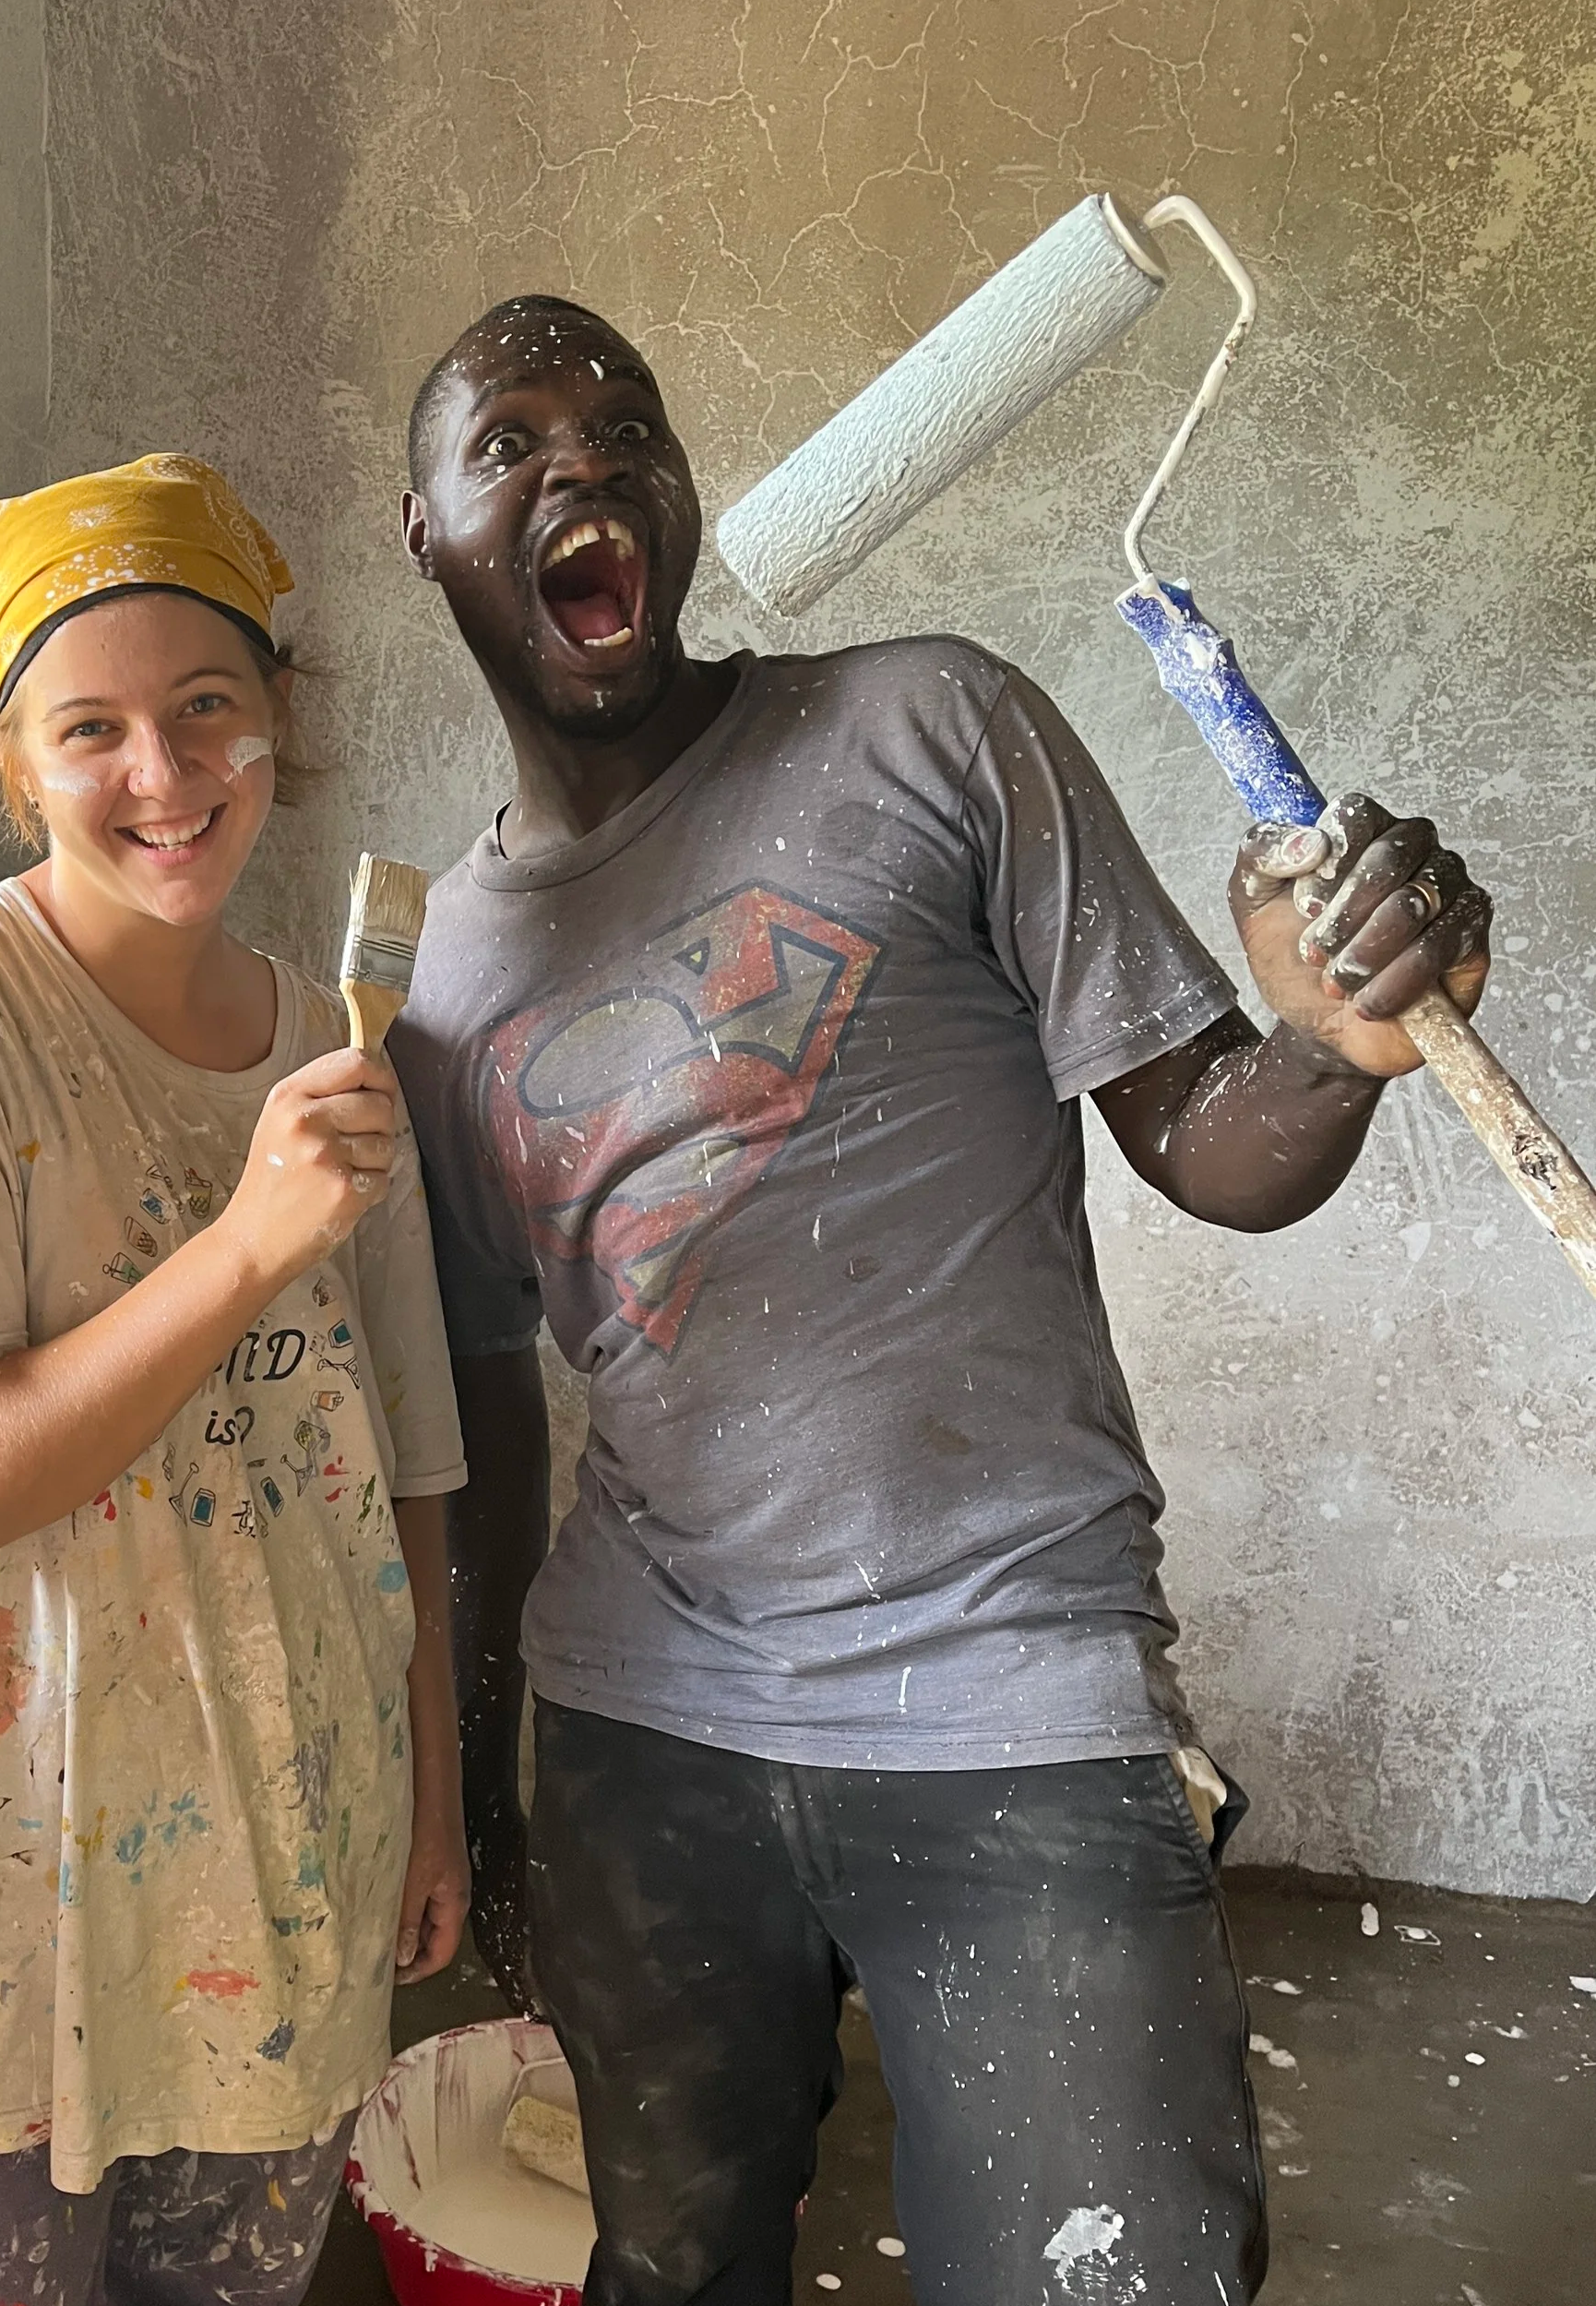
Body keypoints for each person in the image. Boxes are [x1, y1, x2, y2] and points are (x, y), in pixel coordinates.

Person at [388, 298, 1493, 2306]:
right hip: (644, 1734)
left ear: (680, 487)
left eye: (625, 417)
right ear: (428, 534)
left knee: (1114, 2275)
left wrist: (1330, 1042)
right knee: (672, 2260)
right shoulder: (446, 979)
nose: (584, 456)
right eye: (511, 438)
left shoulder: (931, 723)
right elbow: (465, 1431)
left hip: (1015, 1697)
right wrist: (480, 1801)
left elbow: (1209, 1146)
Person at [0, 453, 470, 2304]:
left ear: (276, 721)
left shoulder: (335, 1040)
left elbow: (407, 1472)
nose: (163, 776)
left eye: (205, 707)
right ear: (12, 755)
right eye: (92, 729)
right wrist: (248, 1237)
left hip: (283, 1847)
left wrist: (438, 1788)